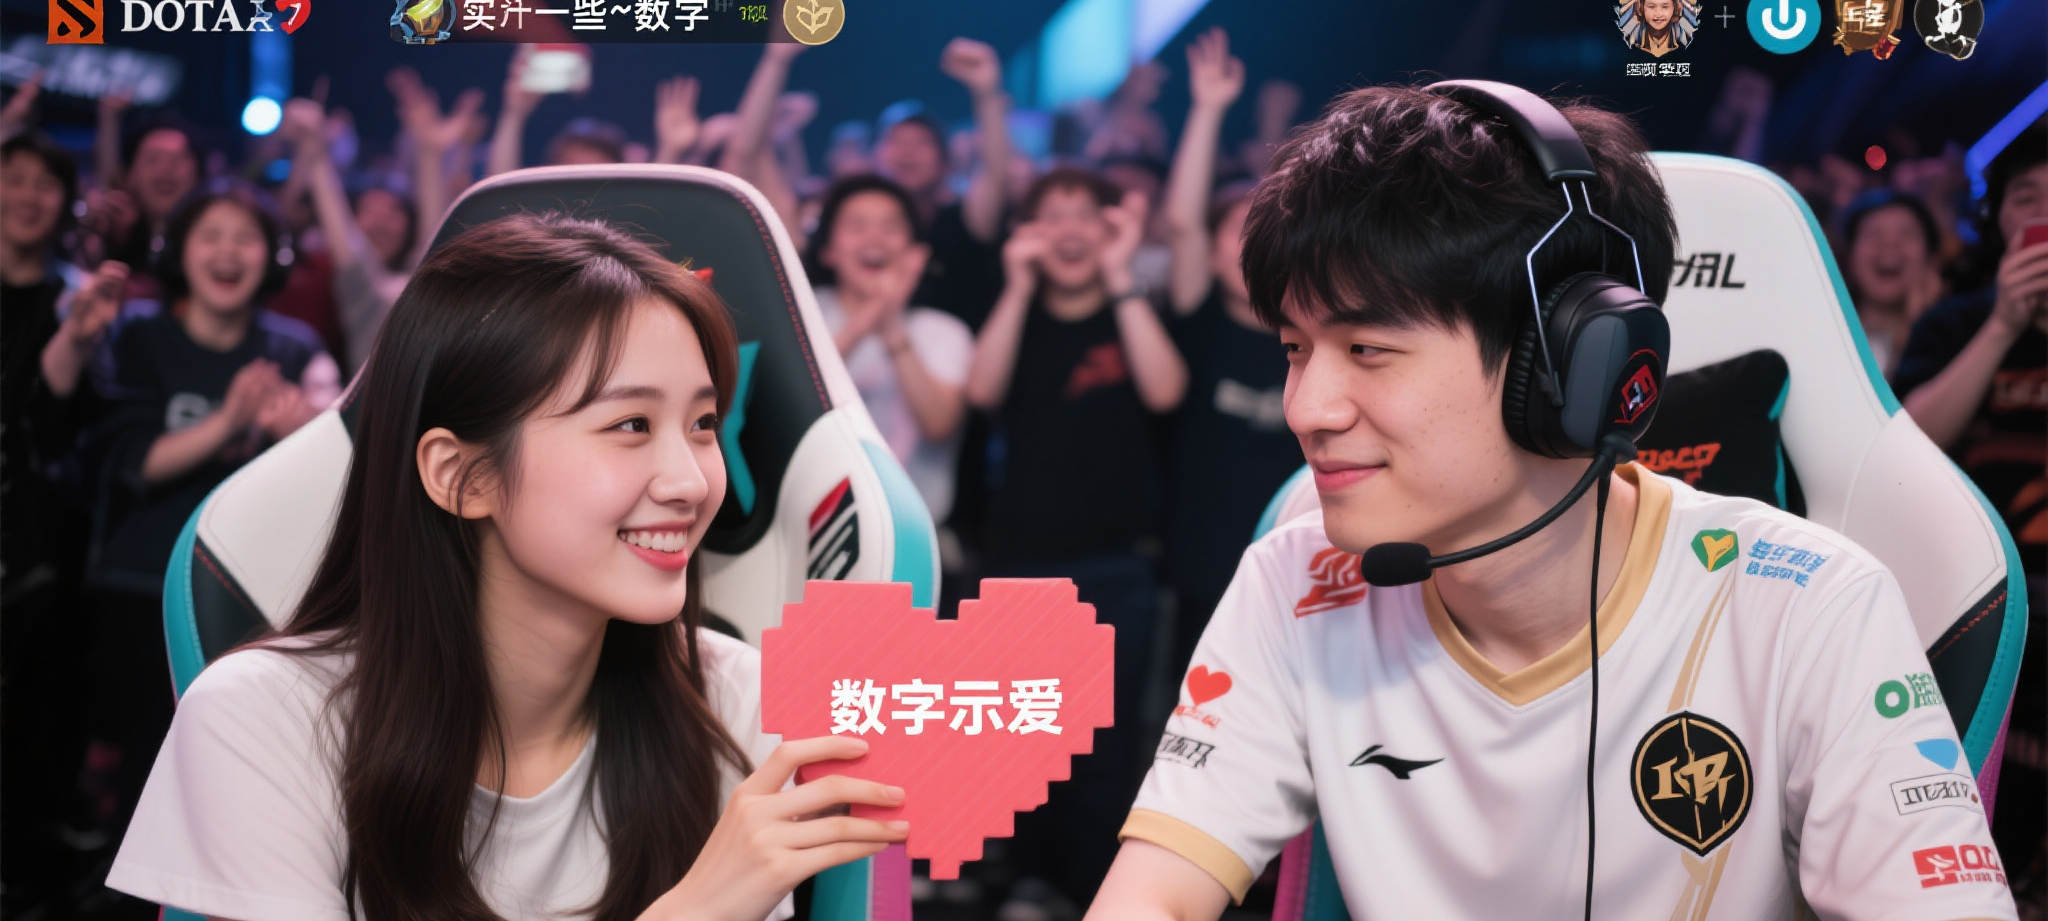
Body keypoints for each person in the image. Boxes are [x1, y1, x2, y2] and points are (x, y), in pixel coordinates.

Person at [1083, 84, 2018, 921]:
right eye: (1295, 350)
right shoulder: (1295, 580)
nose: (1308, 409)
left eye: (1368, 350)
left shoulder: (1808, 605)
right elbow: (1155, 893)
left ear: (1572, 367)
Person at [106, 212, 911, 920]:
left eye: (702, 424)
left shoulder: (739, 705)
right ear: (462, 475)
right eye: (632, 423)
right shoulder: (263, 718)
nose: (693, 480)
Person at [965, 166, 1186, 916]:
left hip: (1116, 563)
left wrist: (1122, 278)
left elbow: (1166, 390)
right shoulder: (1016, 313)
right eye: (1050, 215)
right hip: (1021, 560)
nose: (1068, 230)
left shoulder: (1134, 309)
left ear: (1110, 229)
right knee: (1027, 731)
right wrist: (1017, 287)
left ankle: (1094, 891)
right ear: (1027, 234)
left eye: (1084, 214)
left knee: (1107, 738)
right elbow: (981, 391)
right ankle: (1030, 881)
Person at [1894, 121, 2046, 906]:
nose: (2043, 216)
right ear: (1997, 218)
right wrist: (2004, 326)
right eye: (2027, 198)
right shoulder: (1956, 322)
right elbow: (1908, 446)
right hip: (1989, 585)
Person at [1157, 29, 1305, 678]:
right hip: (1203, 556)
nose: (1248, 249)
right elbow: (1181, 222)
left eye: (1262, 235)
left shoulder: (1318, 335)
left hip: (1299, 562)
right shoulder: (1200, 315)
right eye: (1234, 232)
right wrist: (1208, 109)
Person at [809, 175, 973, 521]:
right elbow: (794, 403)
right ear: (828, 250)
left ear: (916, 253)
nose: (875, 238)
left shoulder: (944, 331)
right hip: (816, 523)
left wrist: (892, 325)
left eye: (891, 226)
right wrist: (869, 317)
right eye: (857, 226)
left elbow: (939, 423)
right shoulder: (801, 313)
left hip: (916, 529)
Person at [1840, 189, 1947, 377]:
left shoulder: (1956, 340)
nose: (1890, 243)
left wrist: (1919, 326)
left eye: (1906, 234)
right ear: (1849, 258)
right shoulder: (1822, 335)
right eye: (1873, 234)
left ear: (1932, 258)